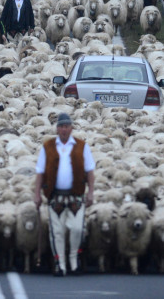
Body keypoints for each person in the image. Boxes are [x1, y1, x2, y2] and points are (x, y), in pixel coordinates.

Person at [33, 112, 96, 276]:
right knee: (57, 231)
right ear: (57, 129)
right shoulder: (48, 147)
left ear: (71, 128)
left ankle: (74, 259)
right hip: (55, 196)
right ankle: (60, 264)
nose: (63, 129)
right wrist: (37, 194)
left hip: (76, 195)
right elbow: (40, 172)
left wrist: (91, 192)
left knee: (76, 229)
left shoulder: (82, 146)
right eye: (61, 126)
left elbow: (90, 171)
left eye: (66, 126)